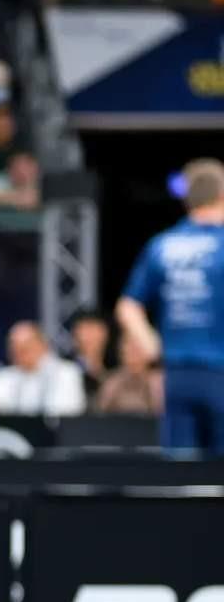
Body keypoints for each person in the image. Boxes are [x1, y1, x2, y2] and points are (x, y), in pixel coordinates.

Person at [116, 158, 224, 453]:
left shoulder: (163, 245)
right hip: (220, 370)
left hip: (176, 376)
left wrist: (152, 347)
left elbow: (128, 306)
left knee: (181, 472)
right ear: (221, 194)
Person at [0, 320, 86, 416]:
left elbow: (65, 413)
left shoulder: (66, 373)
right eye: (15, 350)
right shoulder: (11, 376)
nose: (19, 354)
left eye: (25, 348)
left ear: (42, 345)